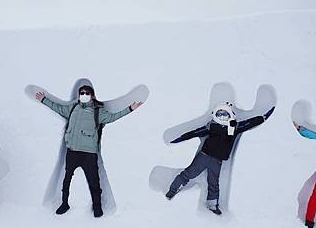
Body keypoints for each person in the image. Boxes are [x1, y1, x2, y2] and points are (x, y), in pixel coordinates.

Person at [34, 85, 143, 218]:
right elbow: (58, 108)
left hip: (89, 153)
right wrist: (44, 100)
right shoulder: (73, 108)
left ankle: (97, 207)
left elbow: (113, 117)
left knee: (94, 181)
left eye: (86, 93)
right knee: (67, 179)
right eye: (82, 93)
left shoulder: (98, 111)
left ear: (92, 95)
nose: (84, 95)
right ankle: (64, 203)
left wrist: (130, 109)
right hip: (72, 151)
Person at [166, 103, 275, 215]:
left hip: (217, 161)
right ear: (215, 115)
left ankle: (212, 205)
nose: (222, 118)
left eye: (225, 115)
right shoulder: (211, 126)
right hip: (203, 156)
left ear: (231, 115)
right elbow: (194, 133)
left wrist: (263, 117)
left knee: (213, 183)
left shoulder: (234, 127)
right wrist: (180, 138)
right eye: (220, 115)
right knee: (188, 174)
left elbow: (249, 123)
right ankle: (173, 190)